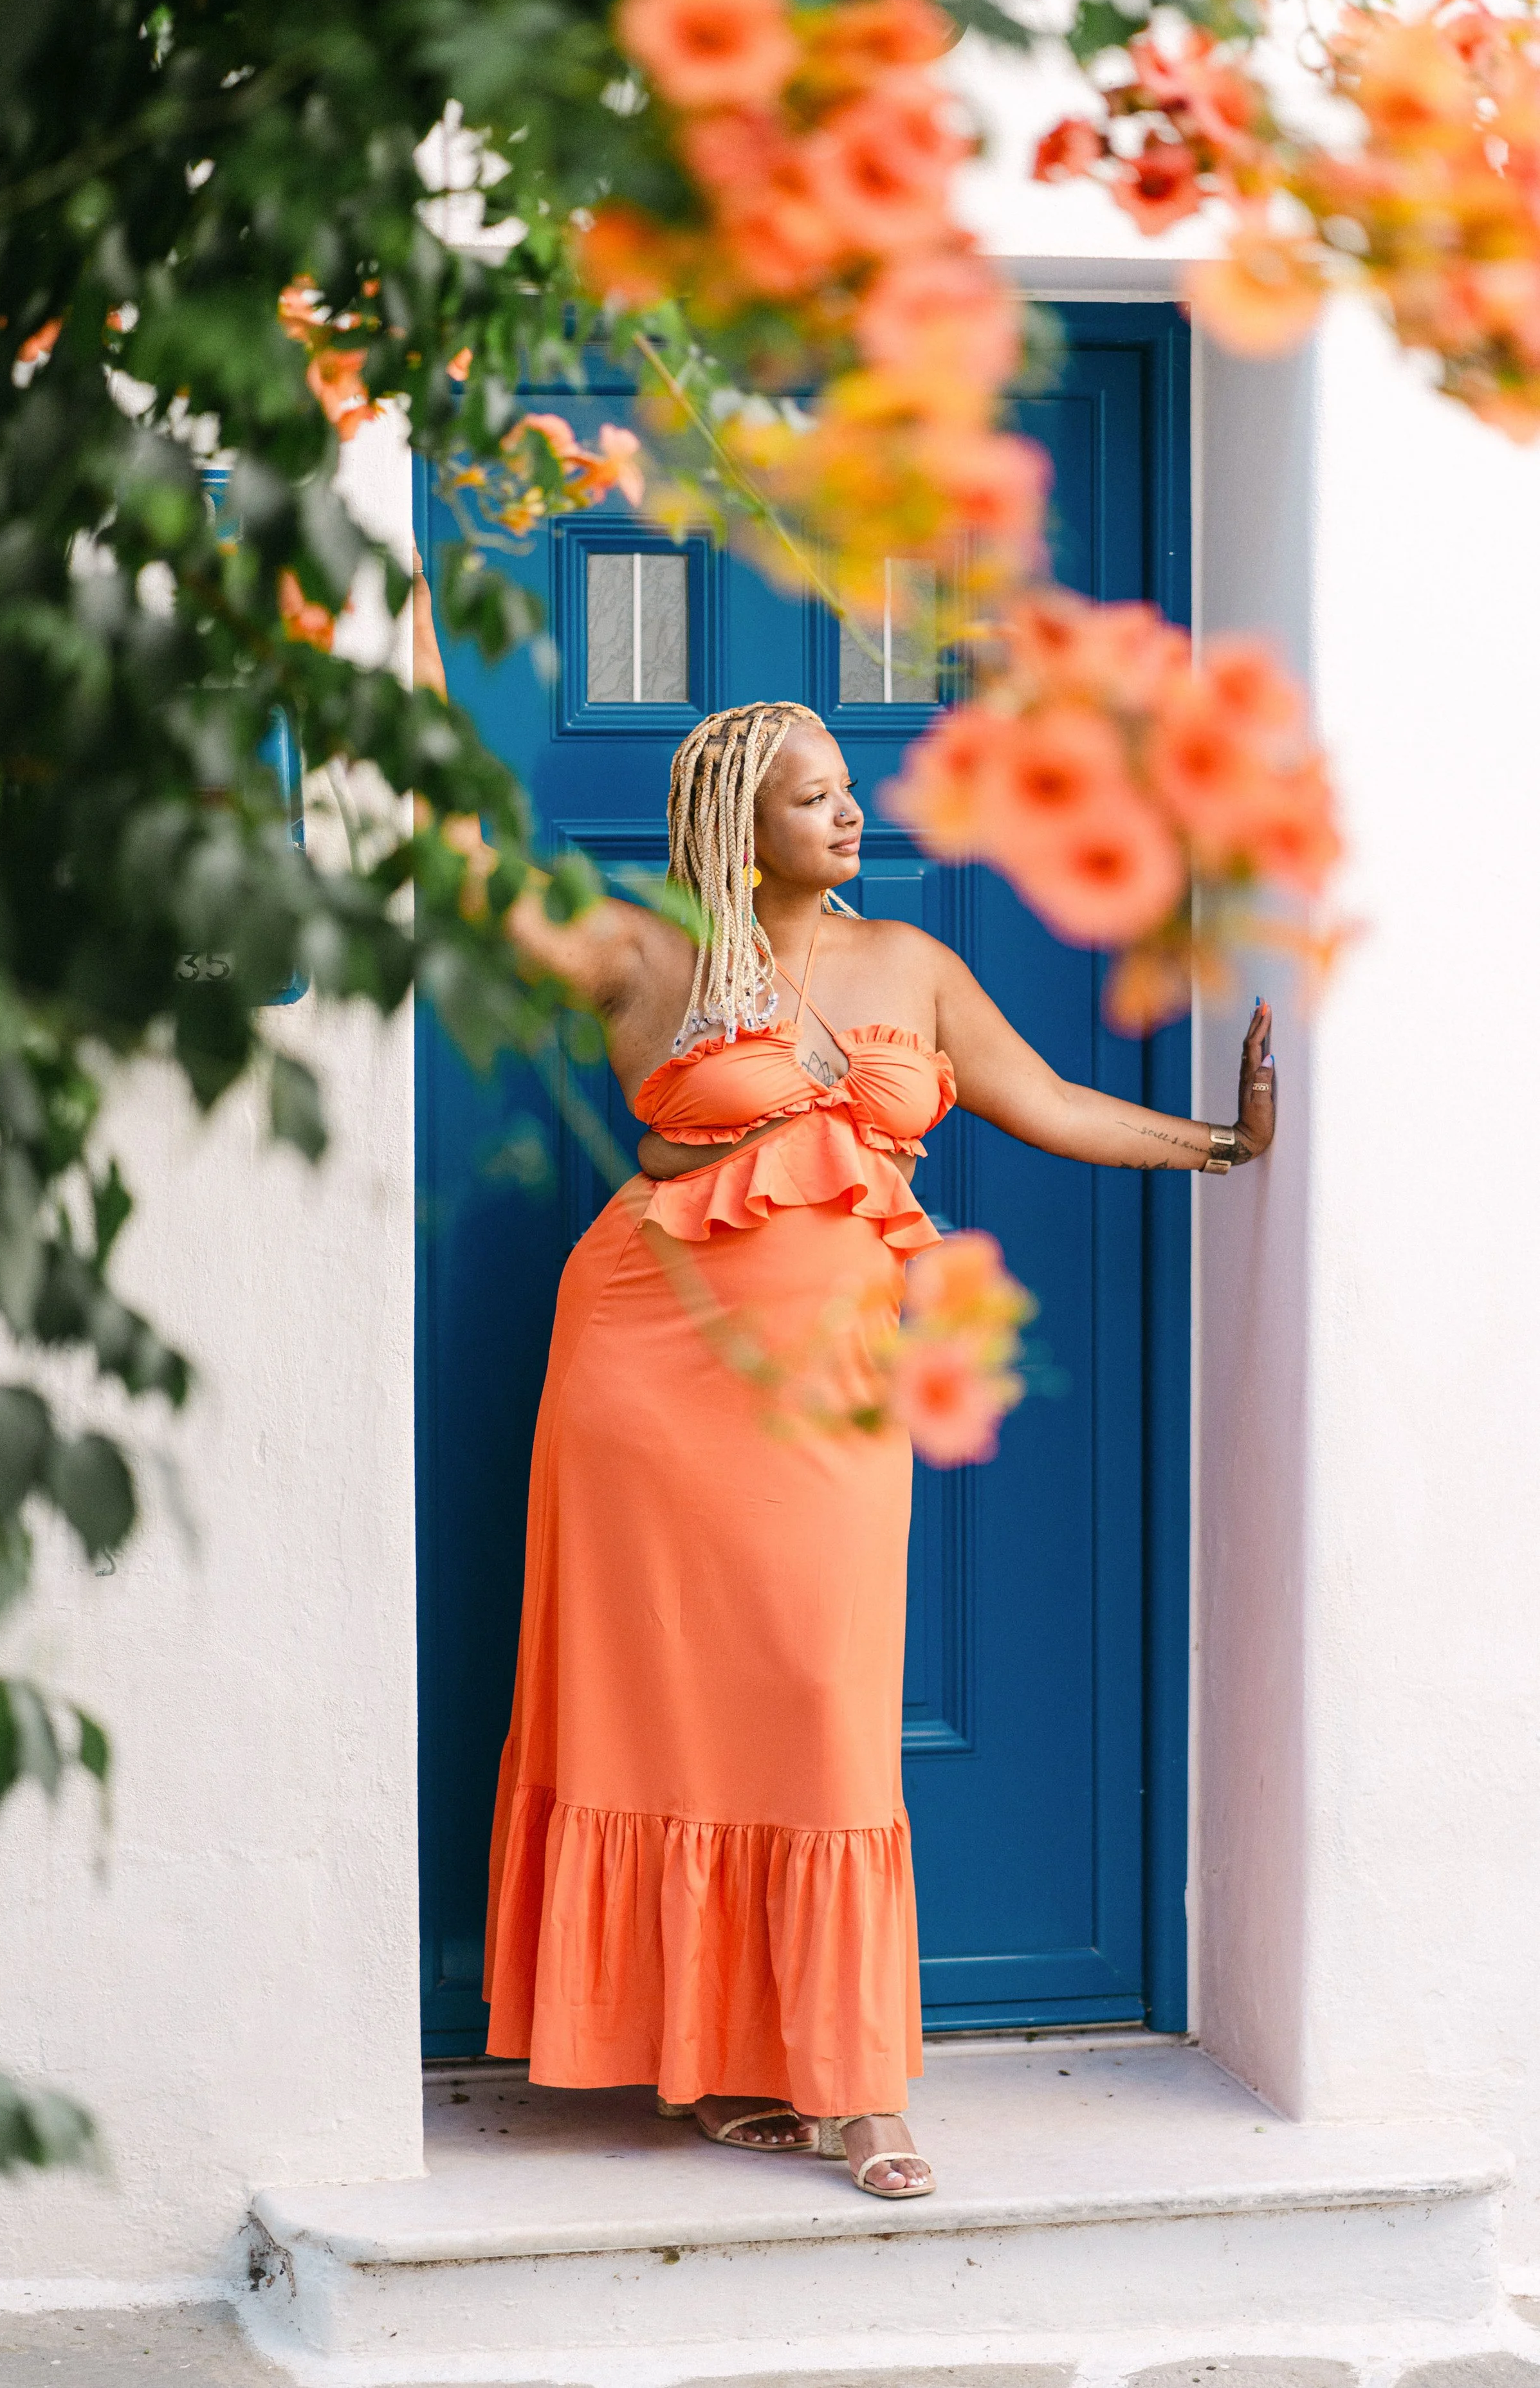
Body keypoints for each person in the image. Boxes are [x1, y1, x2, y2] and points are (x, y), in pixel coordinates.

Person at [419, 621, 1274, 2196]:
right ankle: (704, 2060)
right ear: (734, 822)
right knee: (651, 1700)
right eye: (809, 798)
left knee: (819, 1699)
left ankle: (854, 2083)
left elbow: (1050, 1102)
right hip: (644, 1367)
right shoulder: (643, 954)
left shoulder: (914, 968)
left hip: (829, 1389)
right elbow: (462, 871)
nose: (846, 813)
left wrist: (1215, 1143)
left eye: (844, 791)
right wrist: (393, 642)